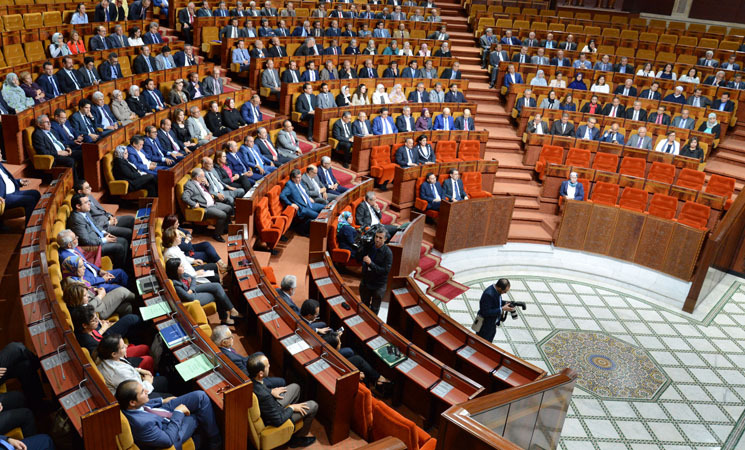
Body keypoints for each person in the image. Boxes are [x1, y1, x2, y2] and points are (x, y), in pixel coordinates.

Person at [117, 380, 222, 450]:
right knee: (196, 416)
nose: (147, 391)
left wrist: (162, 401)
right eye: (142, 392)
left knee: (200, 396)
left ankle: (212, 437)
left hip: (160, 411)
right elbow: (168, 440)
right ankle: (215, 442)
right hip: (170, 431)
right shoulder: (142, 425)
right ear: (132, 402)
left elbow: (144, 406)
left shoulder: (127, 406)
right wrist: (178, 413)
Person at [247, 354, 318, 447]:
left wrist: (271, 391)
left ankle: (291, 431)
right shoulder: (265, 396)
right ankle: (297, 439)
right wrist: (292, 408)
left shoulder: (250, 379)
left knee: (296, 387)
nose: (269, 366)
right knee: (314, 405)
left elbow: (261, 390)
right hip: (275, 417)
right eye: (267, 365)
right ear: (260, 373)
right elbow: (278, 420)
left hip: (271, 407)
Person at [165, 258, 241, 325]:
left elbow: (193, 279)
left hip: (191, 290)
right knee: (216, 295)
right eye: (180, 266)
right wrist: (191, 289)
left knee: (217, 286)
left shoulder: (182, 274)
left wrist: (191, 289)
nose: (183, 267)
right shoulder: (176, 284)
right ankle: (225, 319)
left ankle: (232, 310)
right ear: (175, 270)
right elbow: (189, 297)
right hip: (192, 298)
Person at [97, 334, 169, 397]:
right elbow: (138, 392)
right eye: (122, 347)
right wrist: (148, 381)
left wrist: (139, 370)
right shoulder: (120, 372)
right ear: (114, 354)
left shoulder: (107, 358)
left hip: (135, 383)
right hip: (135, 396)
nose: (126, 346)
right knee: (164, 381)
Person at [68, 193, 128, 268]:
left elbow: (95, 225)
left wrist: (105, 233)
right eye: (86, 202)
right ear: (78, 206)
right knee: (119, 247)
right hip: (93, 247)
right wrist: (104, 240)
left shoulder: (85, 211)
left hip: (99, 237)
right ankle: (119, 269)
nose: (89, 203)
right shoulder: (76, 220)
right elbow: (86, 241)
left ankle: (126, 265)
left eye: (89, 201)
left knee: (124, 241)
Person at [70, 303, 146, 357]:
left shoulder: (88, 329)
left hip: (106, 338)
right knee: (145, 348)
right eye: (94, 320)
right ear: (84, 325)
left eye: (96, 317)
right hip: (113, 351)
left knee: (131, 320)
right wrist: (122, 347)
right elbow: (107, 356)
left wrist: (102, 326)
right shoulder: (90, 343)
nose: (97, 321)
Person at [181, 168, 232, 241]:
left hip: (213, 203)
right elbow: (184, 197)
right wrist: (194, 204)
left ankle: (224, 228)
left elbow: (209, 191)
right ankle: (217, 234)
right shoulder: (190, 185)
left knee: (229, 208)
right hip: (205, 207)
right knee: (222, 215)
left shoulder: (200, 182)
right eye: (203, 176)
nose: (204, 178)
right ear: (197, 177)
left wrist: (207, 185)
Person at [358, 228, 392, 315]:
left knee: (374, 310)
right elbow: (359, 257)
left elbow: (385, 271)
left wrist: (371, 264)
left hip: (378, 285)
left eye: (380, 238)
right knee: (364, 306)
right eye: (376, 236)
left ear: (385, 239)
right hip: (366, 281)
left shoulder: (388, 253)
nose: (377, 239)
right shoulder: (370, 246)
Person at [0, 155, 41, 224]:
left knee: (35, 193)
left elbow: (6, 180)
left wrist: (19, 182)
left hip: (13, 192)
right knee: (30, 200)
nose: (1, 155)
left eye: (1, 153)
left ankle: (37, 220)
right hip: (4, 197)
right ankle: (30, 226)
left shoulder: (0, 165)